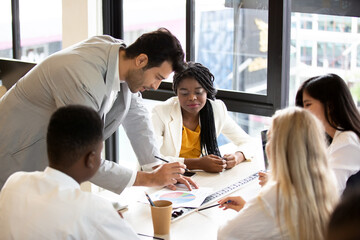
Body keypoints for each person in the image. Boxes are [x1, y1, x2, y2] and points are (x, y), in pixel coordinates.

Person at [0, 28, 198, 192]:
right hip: (11, 157)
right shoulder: (80, 76)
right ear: (141, 60)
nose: (155, 86)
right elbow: (82, 155)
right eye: (158, 77)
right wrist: (149, 179)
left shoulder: (119, 56)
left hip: (39, 163)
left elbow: (136, 114)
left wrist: (158, 168)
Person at [0, 105, 140, 239]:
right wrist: (109, 221)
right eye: (100, 152)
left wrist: (106, 221)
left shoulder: (14, 183)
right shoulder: (94, 210)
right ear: (91, 159)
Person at [217, 107, 339, 240]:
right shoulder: (324, 181)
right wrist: (250, 210)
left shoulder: (276, 194)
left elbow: (226, 234)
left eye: (269, 138)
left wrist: (256, 209)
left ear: (280, 147)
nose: (266, 146)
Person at [151, 62, 253, 173]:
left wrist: (238, 157)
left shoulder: (216, 110)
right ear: (177, 93)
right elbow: (151, 160)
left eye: (198, 92)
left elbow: (249, 143)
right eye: (184, 93)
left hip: (200, 179)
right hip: (165, 179)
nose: (192, 98)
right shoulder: (161, 112)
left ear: (207, 92)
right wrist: (197, 163)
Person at [295, 73, 360, 194]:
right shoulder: (333, 136)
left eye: (308, 104)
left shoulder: (347, 142)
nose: (303, 112)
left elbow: (325, 192)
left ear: (330, 105)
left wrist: (282, 187)